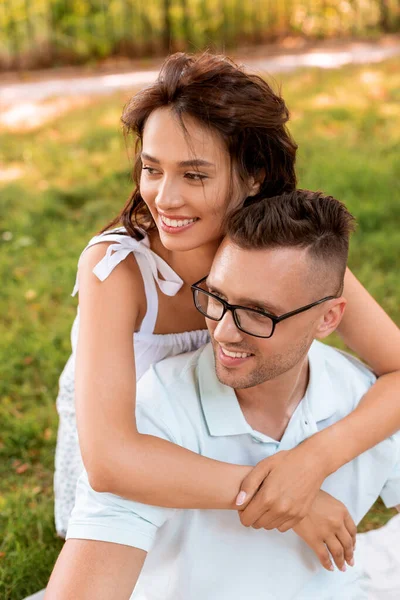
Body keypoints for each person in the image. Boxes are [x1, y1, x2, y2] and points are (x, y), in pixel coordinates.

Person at [51, 51, 400, 577]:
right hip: (147, 466)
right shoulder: (117, 268)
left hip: (245, 434)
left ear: (254, 176)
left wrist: (311, 465)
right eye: (151, 168)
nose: (165, 197)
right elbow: (111, 460)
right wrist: (287, 497)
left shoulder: (281, 254)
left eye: (194, 175)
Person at [46, 190, 400, 599]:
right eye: (217, 298)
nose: (223, 333)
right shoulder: (154, 420)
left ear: (329, 318)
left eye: (258, 313)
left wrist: (314, 460)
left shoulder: (360, 398)